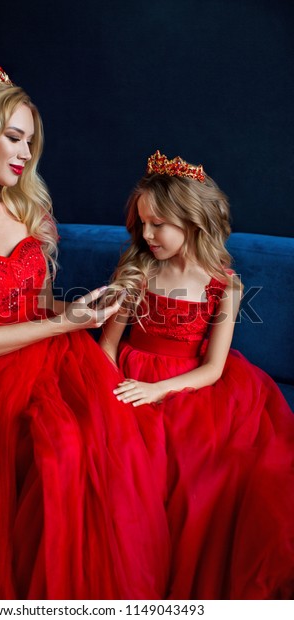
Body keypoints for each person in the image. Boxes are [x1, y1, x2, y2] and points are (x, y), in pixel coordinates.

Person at [0, 70, 170, 600]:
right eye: (14, 138)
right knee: (37, 456)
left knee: (85, 446)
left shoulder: (27, 209)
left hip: (49, 355)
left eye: (31, 142)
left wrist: (84, 308)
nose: (25, 154)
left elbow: (35, 307)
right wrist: (64, 323)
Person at [100, 150, 294, 600]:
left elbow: (213, 369)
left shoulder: (223, 284)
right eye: (142, 223)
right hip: (127, 374)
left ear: (193, 221)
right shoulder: (138, 271)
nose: (146, 235)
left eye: (158, 224)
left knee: (204, 475)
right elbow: (108, 344)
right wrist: (117, 387)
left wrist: (157, 390)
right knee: (117, 462)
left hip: (188, 387)